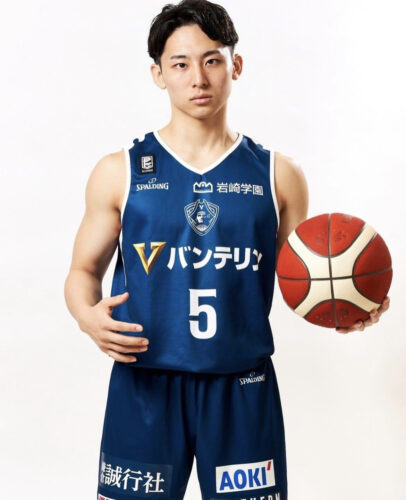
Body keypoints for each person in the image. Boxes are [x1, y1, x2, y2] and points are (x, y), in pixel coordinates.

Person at [64, 1, 390, 499]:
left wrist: (345, 306)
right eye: (180, 64)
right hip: (145, 382)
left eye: (212, 60)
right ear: (158, 75)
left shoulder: (279, 174)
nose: (198, 78)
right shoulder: (120, 171)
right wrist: (87, 317)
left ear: (235, 65)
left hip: (242, 386)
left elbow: (302, 279)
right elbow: (82, 272)